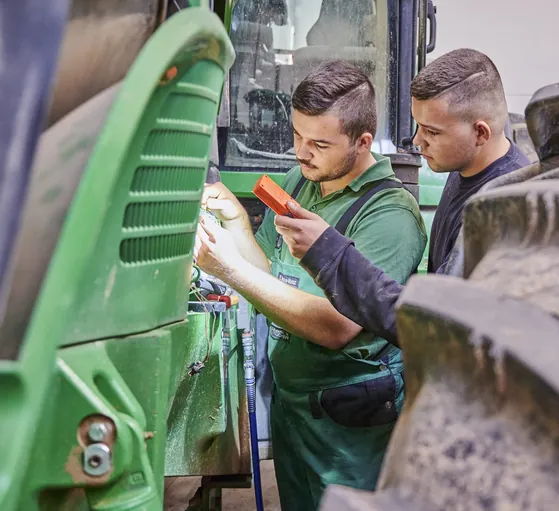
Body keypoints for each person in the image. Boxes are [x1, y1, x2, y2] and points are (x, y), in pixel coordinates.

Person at [194, 60, 426, 511]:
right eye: (297, 135)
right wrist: (238, 223)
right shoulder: (301, 181)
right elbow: (268, 271)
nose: (301, 152)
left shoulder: (390, 216)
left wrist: (227, 270)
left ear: (362, 143)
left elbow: (335, 327)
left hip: (348, 422)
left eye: (319, 143)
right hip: (296, 407)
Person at [274, 48, 530, 345]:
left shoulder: (502, 209)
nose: (417, 141)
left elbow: (431, 323)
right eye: (418, 125)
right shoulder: (466, 170)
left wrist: (328, 251)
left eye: (432, 132)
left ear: (481, 133)